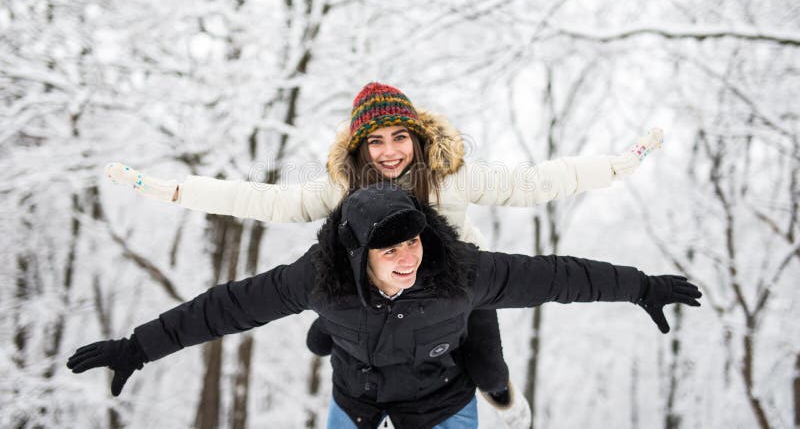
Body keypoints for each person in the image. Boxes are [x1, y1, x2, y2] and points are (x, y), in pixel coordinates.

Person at [104, 82, 664, 427]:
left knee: (486, 363)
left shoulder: (452, 178)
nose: (389, 151)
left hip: (456, 293)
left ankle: (500, 396)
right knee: (329, 330)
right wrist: (174, 190)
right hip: (364, 299)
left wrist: (618, 165)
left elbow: (538, 181)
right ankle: (334, 338)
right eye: (375, 141)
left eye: (400, 137)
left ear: (418, 139)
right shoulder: (342, 190)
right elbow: (261, 199)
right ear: (359, 148)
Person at [68, 184, 701, 429]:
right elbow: (224, 308)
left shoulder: (462, 276)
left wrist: (641, 286)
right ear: (355, 255)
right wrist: (137, 347)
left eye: (413, 240)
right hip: (357, 400)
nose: (408, 256)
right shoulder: (317, 282)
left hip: (442, 401)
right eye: (390, 249)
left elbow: (559, 277)